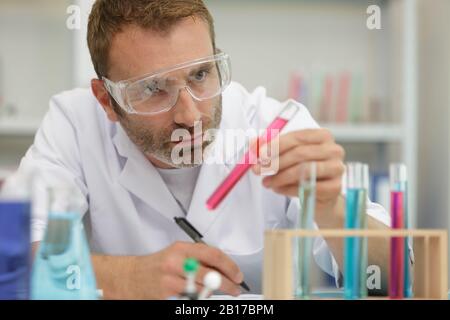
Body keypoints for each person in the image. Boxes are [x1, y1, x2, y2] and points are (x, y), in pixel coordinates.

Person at [19, 0, 391, 299]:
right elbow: (16, 259)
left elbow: (391, 278)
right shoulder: (74, 123)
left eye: (200, 75)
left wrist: (333, 209)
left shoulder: (274, 124)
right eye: (152, 89)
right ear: (106, 100)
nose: (190, 113)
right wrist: (130, 276)